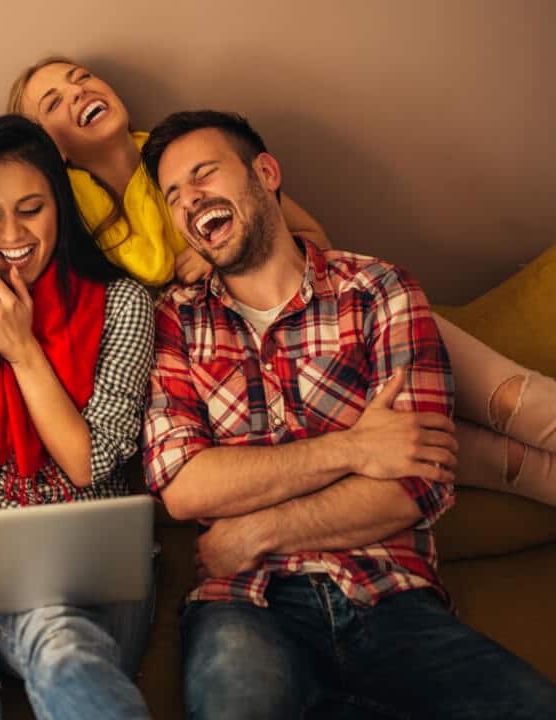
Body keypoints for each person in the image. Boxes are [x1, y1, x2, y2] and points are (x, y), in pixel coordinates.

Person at [139, 109, 556, 719]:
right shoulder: (175, 321)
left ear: (266, 173)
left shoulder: (378, 290)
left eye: (204, 173)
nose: (189, 198)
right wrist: (353, 448)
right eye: (173, 195)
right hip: (243, 610)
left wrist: (256, 530)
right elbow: (185, 488)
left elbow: (414, 485)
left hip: (391, 600)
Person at [9, 56, 556, 506]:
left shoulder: (187, 151)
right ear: (50, 146)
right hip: (223, 370)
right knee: (467, 452)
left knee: (512, 401)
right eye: (53, 102)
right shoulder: (66, 218)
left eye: (81, 79)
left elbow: (313, 235)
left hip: (324, 319)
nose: (77, 93)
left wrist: (215, 259)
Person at [0, 114, 154, 720]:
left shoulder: (123, 303)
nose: (11, 233)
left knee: (63, 634)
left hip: (95, 562)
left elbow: (90, 463)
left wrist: (23, 349)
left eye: (30, 209)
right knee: (55, 636)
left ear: (59, 205)